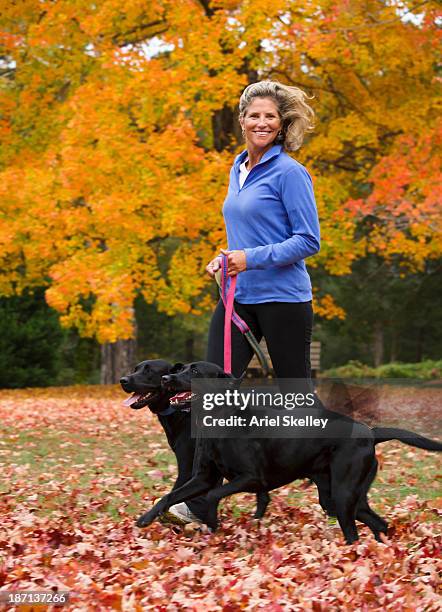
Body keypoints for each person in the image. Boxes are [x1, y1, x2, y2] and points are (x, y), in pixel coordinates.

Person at [167, 80, 321, 525]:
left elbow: (307, 240)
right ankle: (196, 500)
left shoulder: (290, 172)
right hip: (239, 299)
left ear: (281, 124)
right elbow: (248, 234)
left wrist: (248, 259)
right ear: (242, 120)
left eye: (270, 116)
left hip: (285, 299)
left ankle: (327, 468)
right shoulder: (237, 168)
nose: (261, 122)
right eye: (254, 115)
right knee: (211, 396)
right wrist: (225, 259)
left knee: (297, 402)